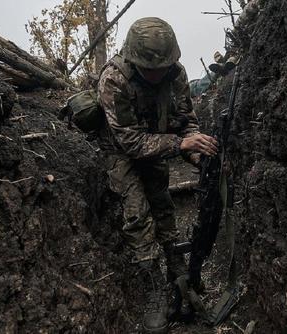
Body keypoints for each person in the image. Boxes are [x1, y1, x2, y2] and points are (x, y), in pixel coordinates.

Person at [97, 17, 218, 333]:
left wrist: (194, 150)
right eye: (152, 69)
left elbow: (185, 120)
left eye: (164, 66)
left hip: (158, 143)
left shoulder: (175, 73)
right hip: (121, 150)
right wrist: (180, 144)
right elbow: (131, 142)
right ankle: (153, 286)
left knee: (163, 205)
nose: (159, 74)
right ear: (134, 61)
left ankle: (176, 269)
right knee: (138, 215)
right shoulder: (114, 79)